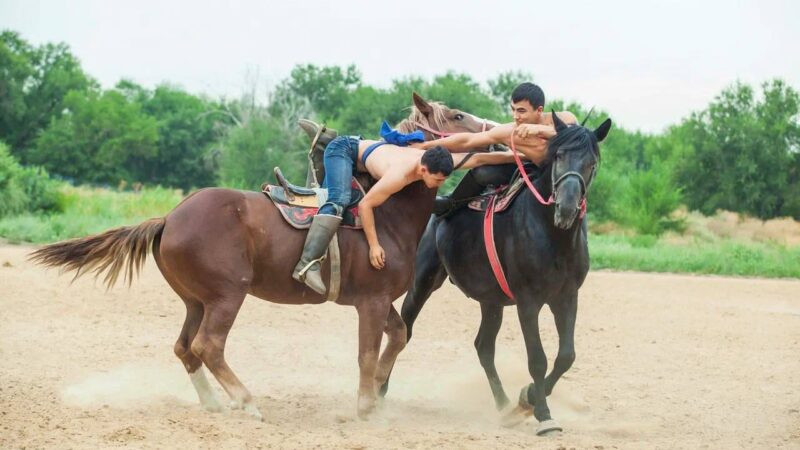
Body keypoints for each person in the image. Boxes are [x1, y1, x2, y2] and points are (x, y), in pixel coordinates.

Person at [292, 133, 520, 295]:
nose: (440, 184)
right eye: (438, 180)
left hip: (367, 152)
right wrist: (374, 246)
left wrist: (517, 156)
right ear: (423, 170)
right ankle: (307, 263)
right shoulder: (398, 175)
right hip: (343, 150)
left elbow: (479, 158)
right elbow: (366, 206)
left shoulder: (436, 162)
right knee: (339, 199)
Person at [414, 82, 578, 214]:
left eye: (521, 111)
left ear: (539, 110)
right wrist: (427, 145)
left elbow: (577, 137)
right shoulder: (509, 130)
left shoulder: (565, 117)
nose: (516, 116)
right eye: (513, 110)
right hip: (527, 166)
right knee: (482, 170)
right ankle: (452, 203)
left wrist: (539, 129)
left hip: (566, 173)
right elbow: (467, 140)